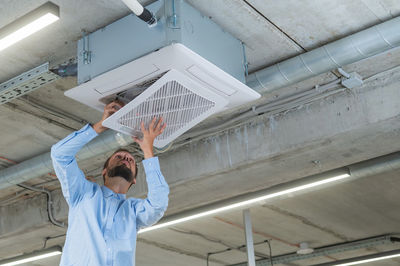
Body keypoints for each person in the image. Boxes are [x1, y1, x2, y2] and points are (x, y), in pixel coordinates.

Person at [51, 101, 169, 266]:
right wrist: (99, 126)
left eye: (130, 160)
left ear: (134, 179)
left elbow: (158, 204)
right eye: (119, 157)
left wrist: (148, 150)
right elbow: (59, 154)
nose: (125, 159)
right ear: (104, 171)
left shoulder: (134, 213)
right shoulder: (82, 193)